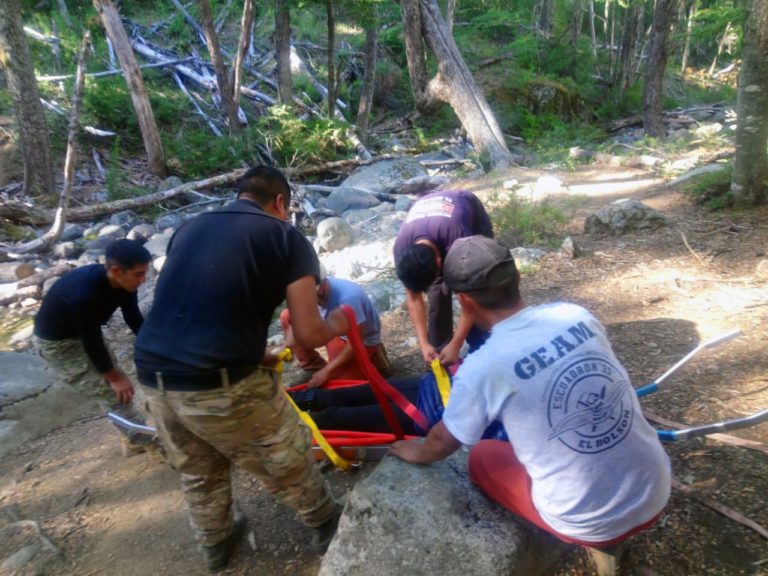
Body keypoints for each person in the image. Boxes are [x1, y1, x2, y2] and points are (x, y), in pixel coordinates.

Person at [391, 236, 671, 576]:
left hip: (586, 521)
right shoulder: (575, 314)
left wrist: (412, 450)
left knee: (481, 455)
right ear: (517, 278)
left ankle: (602, 543)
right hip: (657, 489)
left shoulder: (484, 366)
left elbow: (440, 445)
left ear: (464, 301)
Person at [133, 165, 349, 573]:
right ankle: (325, 523)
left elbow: (201, 306)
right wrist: (341, 320)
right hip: (217, 383)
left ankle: (216, 543)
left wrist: (253, 355)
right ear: (280, 202)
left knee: (198, 467)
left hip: (152, 374)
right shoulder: (286, 237)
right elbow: (306, 332)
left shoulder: (190, 228)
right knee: (285, 452)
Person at [33, 238, 152, 454]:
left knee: (118, 389)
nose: (143, 280)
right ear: (116, 271)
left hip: (85, 334)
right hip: (59, 345)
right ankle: (152, 444)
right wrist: (114, 377)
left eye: (145, 273)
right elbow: (91, 340)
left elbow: (133, 317)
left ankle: (132, 438)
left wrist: (153, 346)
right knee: (113, 393)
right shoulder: (84, 293)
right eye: (138, 274)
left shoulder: (125, 283)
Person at [393, 189, 494, 367]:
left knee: (480, 287)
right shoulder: (402, 250)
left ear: (440, 261)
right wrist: (424, 343)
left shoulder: (460, 237)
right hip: (431, 215)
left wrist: (457, 344)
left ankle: (483, 348)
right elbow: (413, 297)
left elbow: (470, 300)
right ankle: (439, 355)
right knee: (437, 293)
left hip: (465, 205)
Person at [280, 265, 389, 388]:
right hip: (333, 329)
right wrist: (287, 344)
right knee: (287, 315)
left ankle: (373, 358)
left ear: (321, 285)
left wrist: (327, 371)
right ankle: (313, 366)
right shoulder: (309, 292)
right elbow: (295, 317)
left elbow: (356, 343)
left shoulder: (349, 298)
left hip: (358, 340)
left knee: (340, 386)